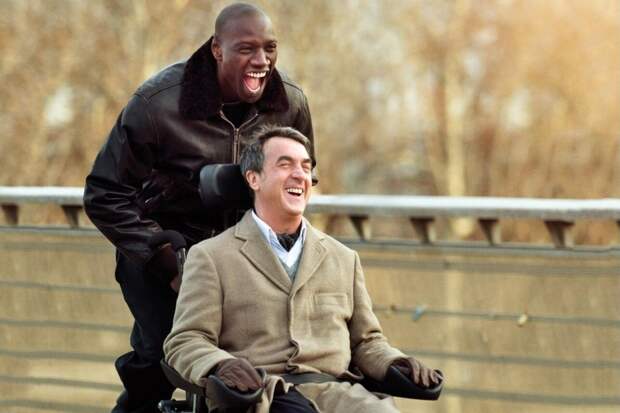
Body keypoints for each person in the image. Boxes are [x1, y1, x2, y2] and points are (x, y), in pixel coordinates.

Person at [83, 3, 315, 412]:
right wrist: (162, 256)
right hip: (162, 254)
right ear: (217, 49)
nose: (262, 60)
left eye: (269, 48)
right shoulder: (157, 103)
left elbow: (300, 180)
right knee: (161, 359)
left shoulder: (289, 104)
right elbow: (105, 193)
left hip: (244, 256)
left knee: (248, 370)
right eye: (246, 48)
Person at [164, 125, 441, 413]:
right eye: (285, 165)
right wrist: (220, 365)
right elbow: (186, 340)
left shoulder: (344, 258)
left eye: (305, 167)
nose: (299, 174)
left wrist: (395, 362)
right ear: (254, 178)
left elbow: (366, 342)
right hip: (260, 395)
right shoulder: (211, 256)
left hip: (335, 392)